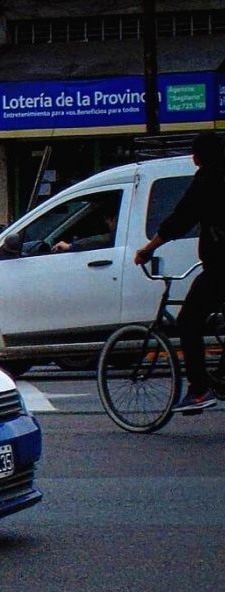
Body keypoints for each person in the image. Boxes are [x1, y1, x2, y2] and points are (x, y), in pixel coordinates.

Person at [134, 131, 225, 412]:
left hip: (221, 267)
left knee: (189, 321)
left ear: (197, 158)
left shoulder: (207, 181)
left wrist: (148, 249)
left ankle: (199, 390)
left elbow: (180, 220)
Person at [52, 210, 117, 253]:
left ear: (115, 219)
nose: (106, 222)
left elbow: (100, 239)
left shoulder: (115, 236)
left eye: (108, 219)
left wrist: (69, 246)